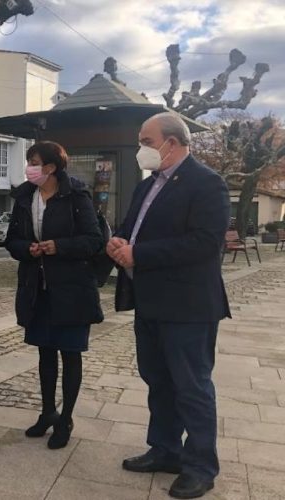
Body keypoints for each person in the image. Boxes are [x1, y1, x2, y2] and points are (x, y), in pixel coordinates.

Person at [107, 112, 230, 499]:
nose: (140, 147)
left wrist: (139, 254)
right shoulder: (148, 186)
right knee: (158, 381)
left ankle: (200, 467)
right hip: (151, 301)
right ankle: (165, 450)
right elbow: (130, 226)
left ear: (172, 143)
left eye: (146, 140)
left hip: (188, 305)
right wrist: (118, 242)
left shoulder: (206, 183)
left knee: (192, 387)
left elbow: (206, 243)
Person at [4, 141, 104, 450]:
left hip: (72, 290)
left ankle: (66, 419)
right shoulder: (24, 197)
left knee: (70, 354)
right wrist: (28, 249)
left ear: (50, 167)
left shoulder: (76, 196)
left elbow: (93, 240)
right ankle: (48, 411)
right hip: (38, 288)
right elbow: (12, 241)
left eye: (33, 161)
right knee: (44, 352)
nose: (28, 167)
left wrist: (58, 246)